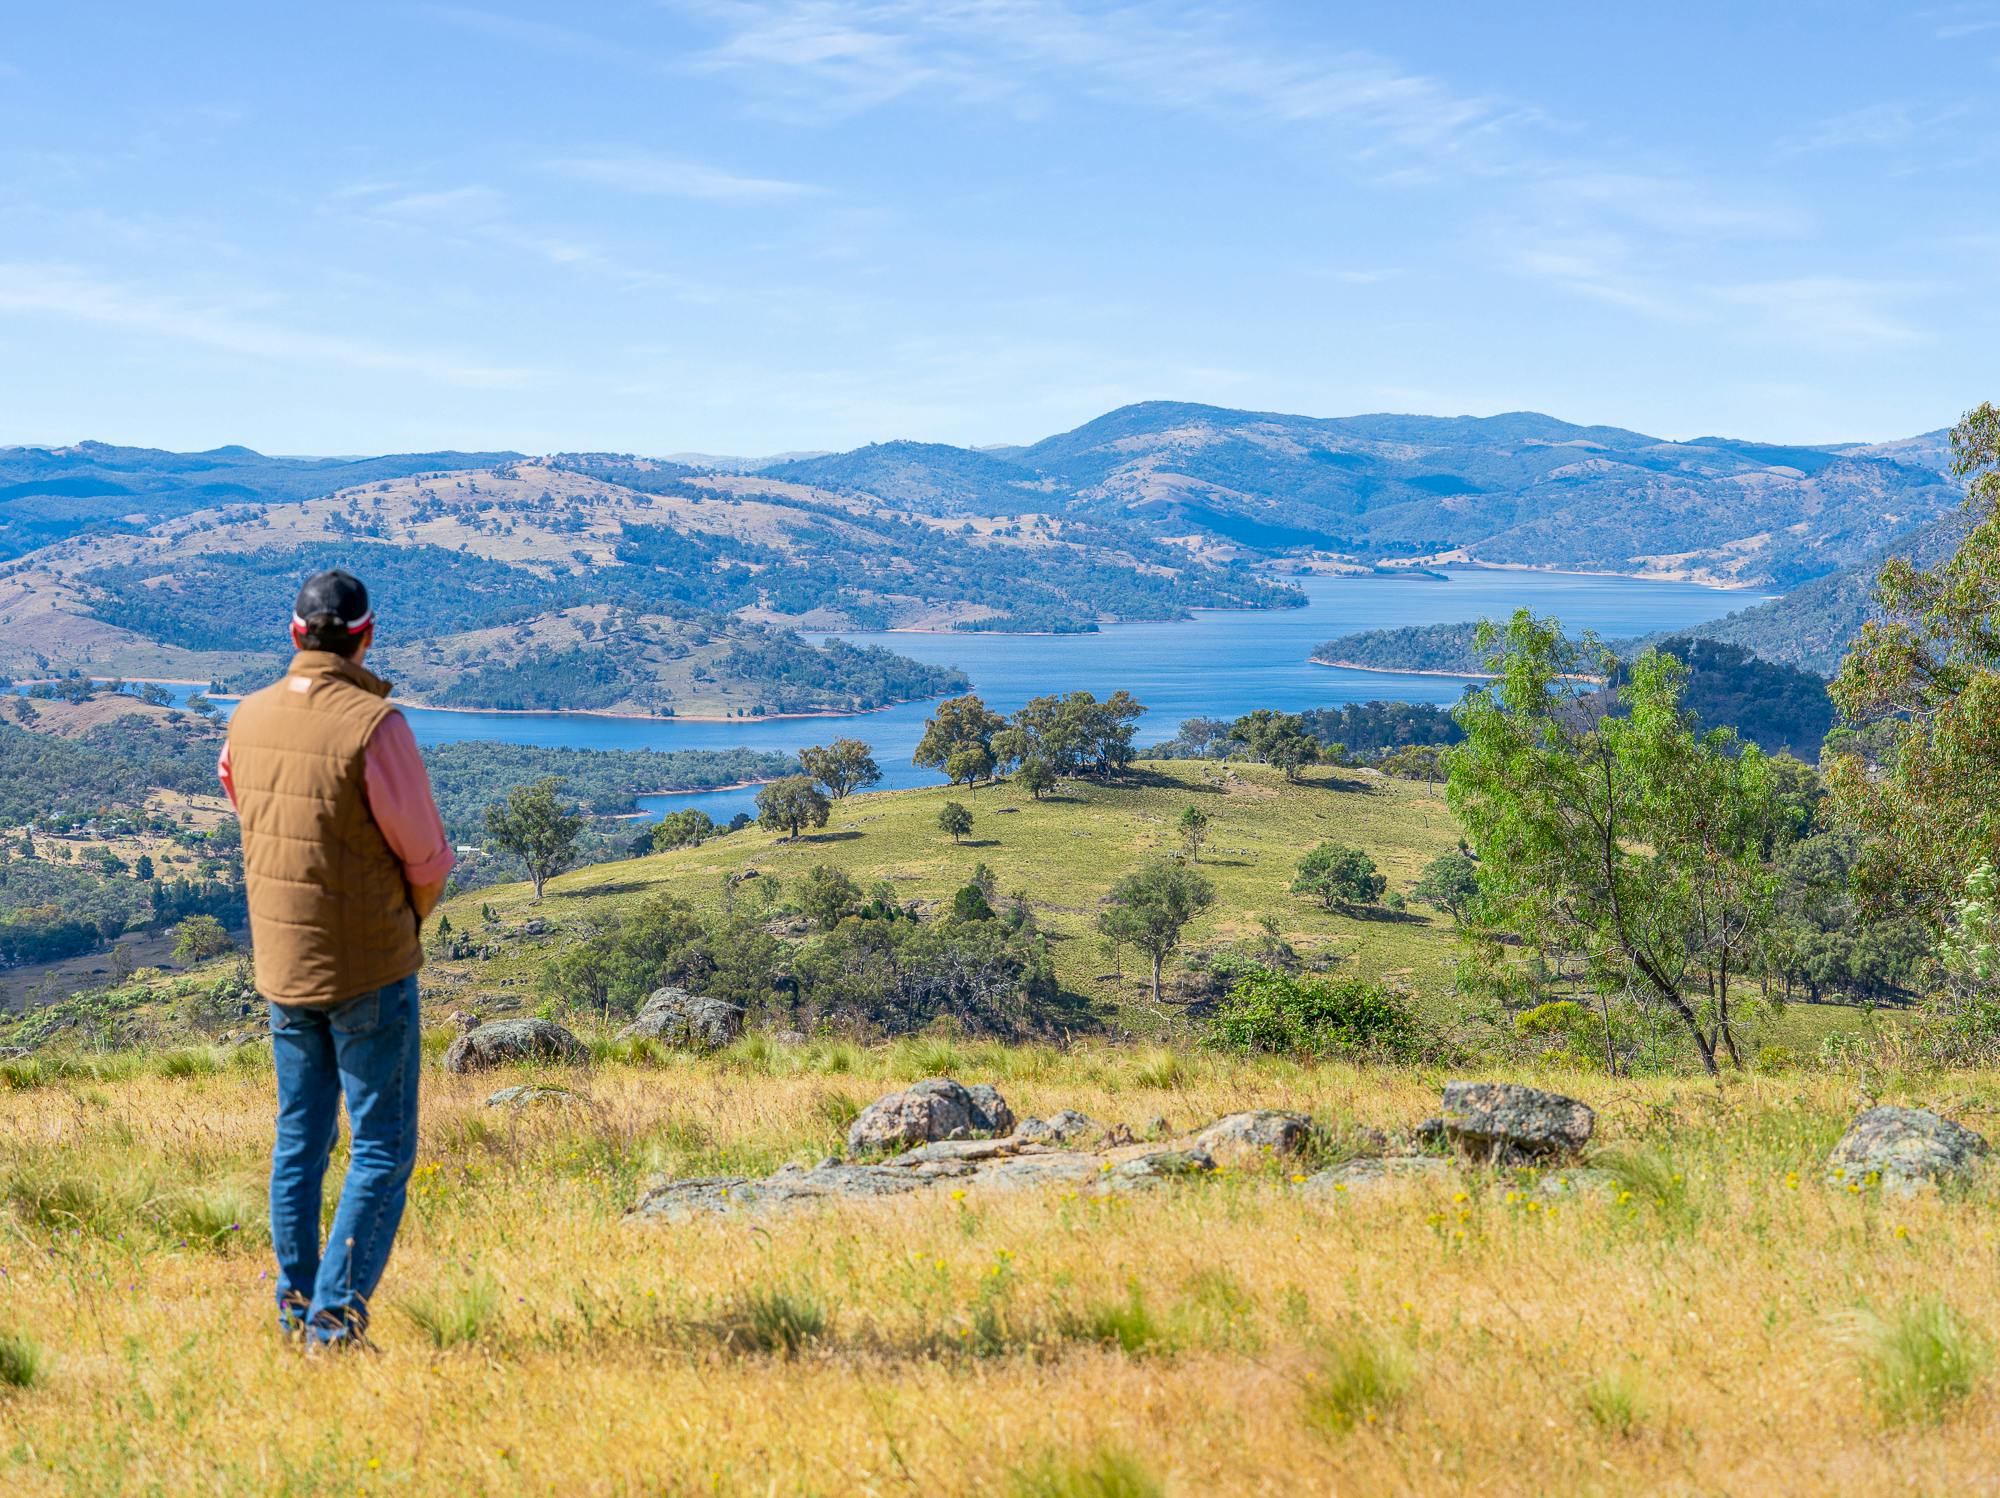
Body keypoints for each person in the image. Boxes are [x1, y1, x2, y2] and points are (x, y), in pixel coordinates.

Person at [217, 569, 453, 1348]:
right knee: (381, 1146)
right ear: (366, 636)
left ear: (295, 634)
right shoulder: (374, 725)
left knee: (300, 1138)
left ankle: (296, 1307)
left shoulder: (247, 717)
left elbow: (248, 800)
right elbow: (426, 857)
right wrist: (407, 918)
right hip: (368, 968)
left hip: (283, 962)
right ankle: (333, 1322)